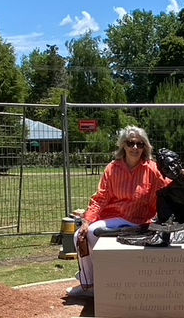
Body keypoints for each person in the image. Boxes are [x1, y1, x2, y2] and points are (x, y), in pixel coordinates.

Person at [66, 126, 169, 298]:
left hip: (139, 220)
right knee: (81, 234)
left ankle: (96, 281)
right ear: (123, 145)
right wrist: (87, 220)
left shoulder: (152, 169)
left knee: (93, 233)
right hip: (113, 217)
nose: (135, 148)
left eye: (139, 144)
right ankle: (89, 284)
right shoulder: (112, 169)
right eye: (130, 143)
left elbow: (170, 183)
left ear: (145, 147)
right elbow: (100, 198)